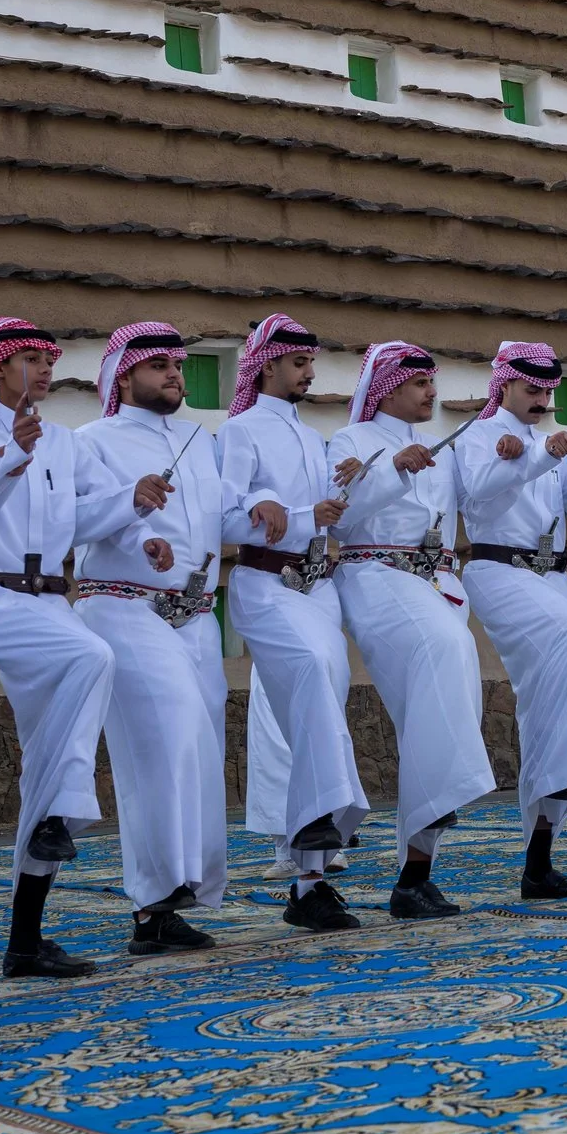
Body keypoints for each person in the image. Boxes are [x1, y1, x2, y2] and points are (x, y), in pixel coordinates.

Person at [0, 318, 117, 978]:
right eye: (30, 359)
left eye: (49, 358)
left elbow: (83, 516)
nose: (44, 369)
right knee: (94, 656)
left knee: (44, 766)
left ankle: (25, 938)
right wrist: (10, 455)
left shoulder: (65, 442)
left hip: (51, 603)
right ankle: (68, 808)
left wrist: (135, 503)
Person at [71, 323, 235, 954]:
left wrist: (291, 512)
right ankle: (150, 906)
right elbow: (74, 521)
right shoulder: (91, 441)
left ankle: (177, 893)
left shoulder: (200, 442)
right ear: (123, 374)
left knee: (196, 745)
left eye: (179, 365)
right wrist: (134, 517)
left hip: (195, 618)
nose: (174, 373)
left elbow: (225, 517)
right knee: (160, 748)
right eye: (159, 364)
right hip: (124, 608)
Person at [323, 342, 498, 918]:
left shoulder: (445, 449)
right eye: (419, 382)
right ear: (387, 387)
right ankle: (441, 789)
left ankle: (416, 872)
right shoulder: (352, 442)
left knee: (450, 692)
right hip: (375, 575)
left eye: (432, 381)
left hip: (439, 586)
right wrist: (394, 469)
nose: (431, 391)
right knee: (446, 651)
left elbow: (485, 494)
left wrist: (529, 452)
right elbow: (341, 512)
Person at [217, 314, 366, 930]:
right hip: (265, 583)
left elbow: (322, 518)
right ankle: (312, 817)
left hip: (318, 588)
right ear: (268, 365)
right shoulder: (239, 431)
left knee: (322, 698)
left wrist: (349, 493)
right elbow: (223, 518)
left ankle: (310, 880)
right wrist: (269, 506)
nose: (309, 372)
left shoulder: (312, 436)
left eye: (312, 362)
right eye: (299, 362)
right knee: (309, 671)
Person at [454, 341, 567, 898]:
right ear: (505, 386)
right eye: (532, 389)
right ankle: (566, 768)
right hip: (500, 573)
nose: (543, 399)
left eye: (549, 390)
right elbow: (481, 491)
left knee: (543, 712)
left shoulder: (550, 438)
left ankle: (539, 858)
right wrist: (537, 454)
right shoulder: (478, 436)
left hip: (554, 578)